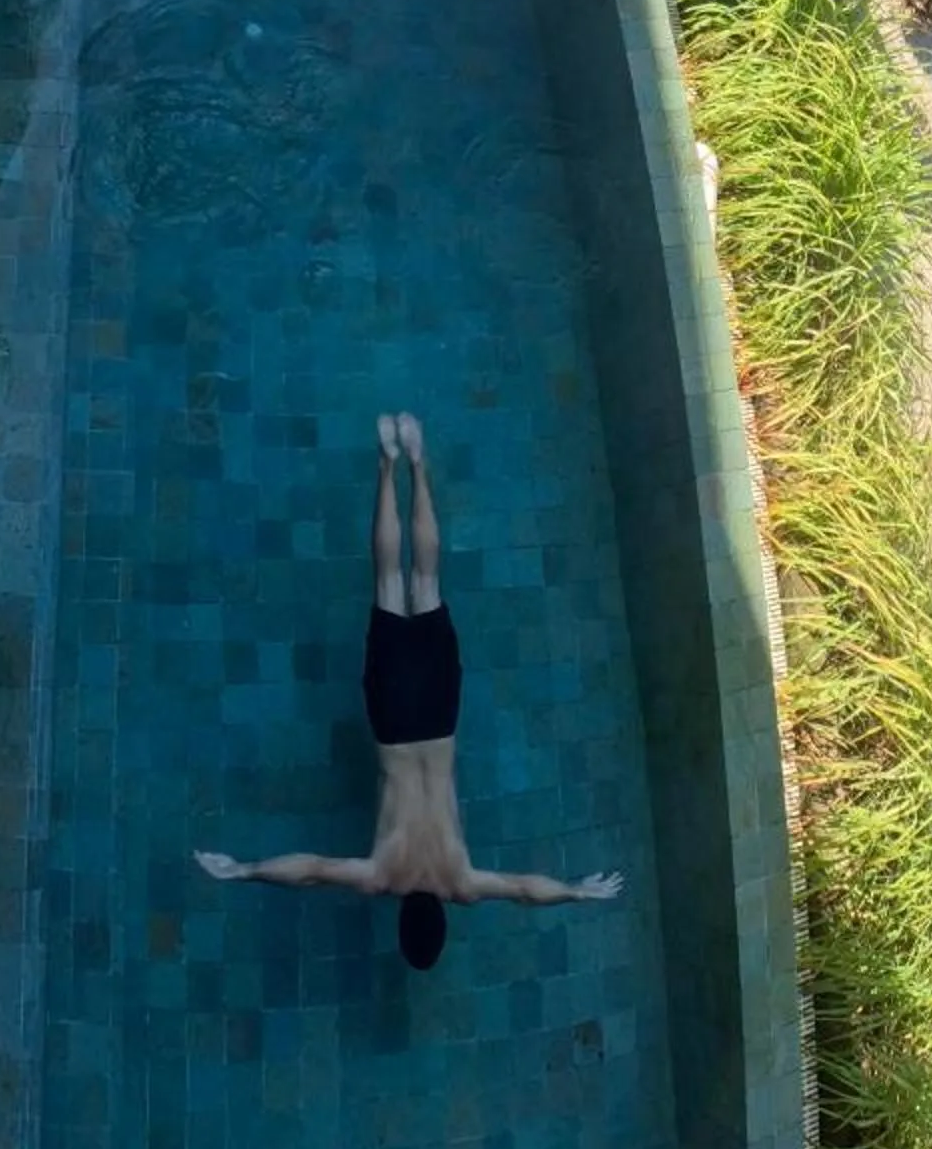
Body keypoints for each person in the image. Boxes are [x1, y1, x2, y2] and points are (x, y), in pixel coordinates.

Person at [194, 414, 623, 971]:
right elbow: (312, 870)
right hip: (394, 722)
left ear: (446, 917)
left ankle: (417, 463)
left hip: (439, 717)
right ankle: (386, 463)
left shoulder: (464, 883)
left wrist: (578, 892)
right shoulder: (380, 877)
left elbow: (523, 889)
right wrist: (245, 871)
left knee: (426, 579)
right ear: (402, 920)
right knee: (387, 581)